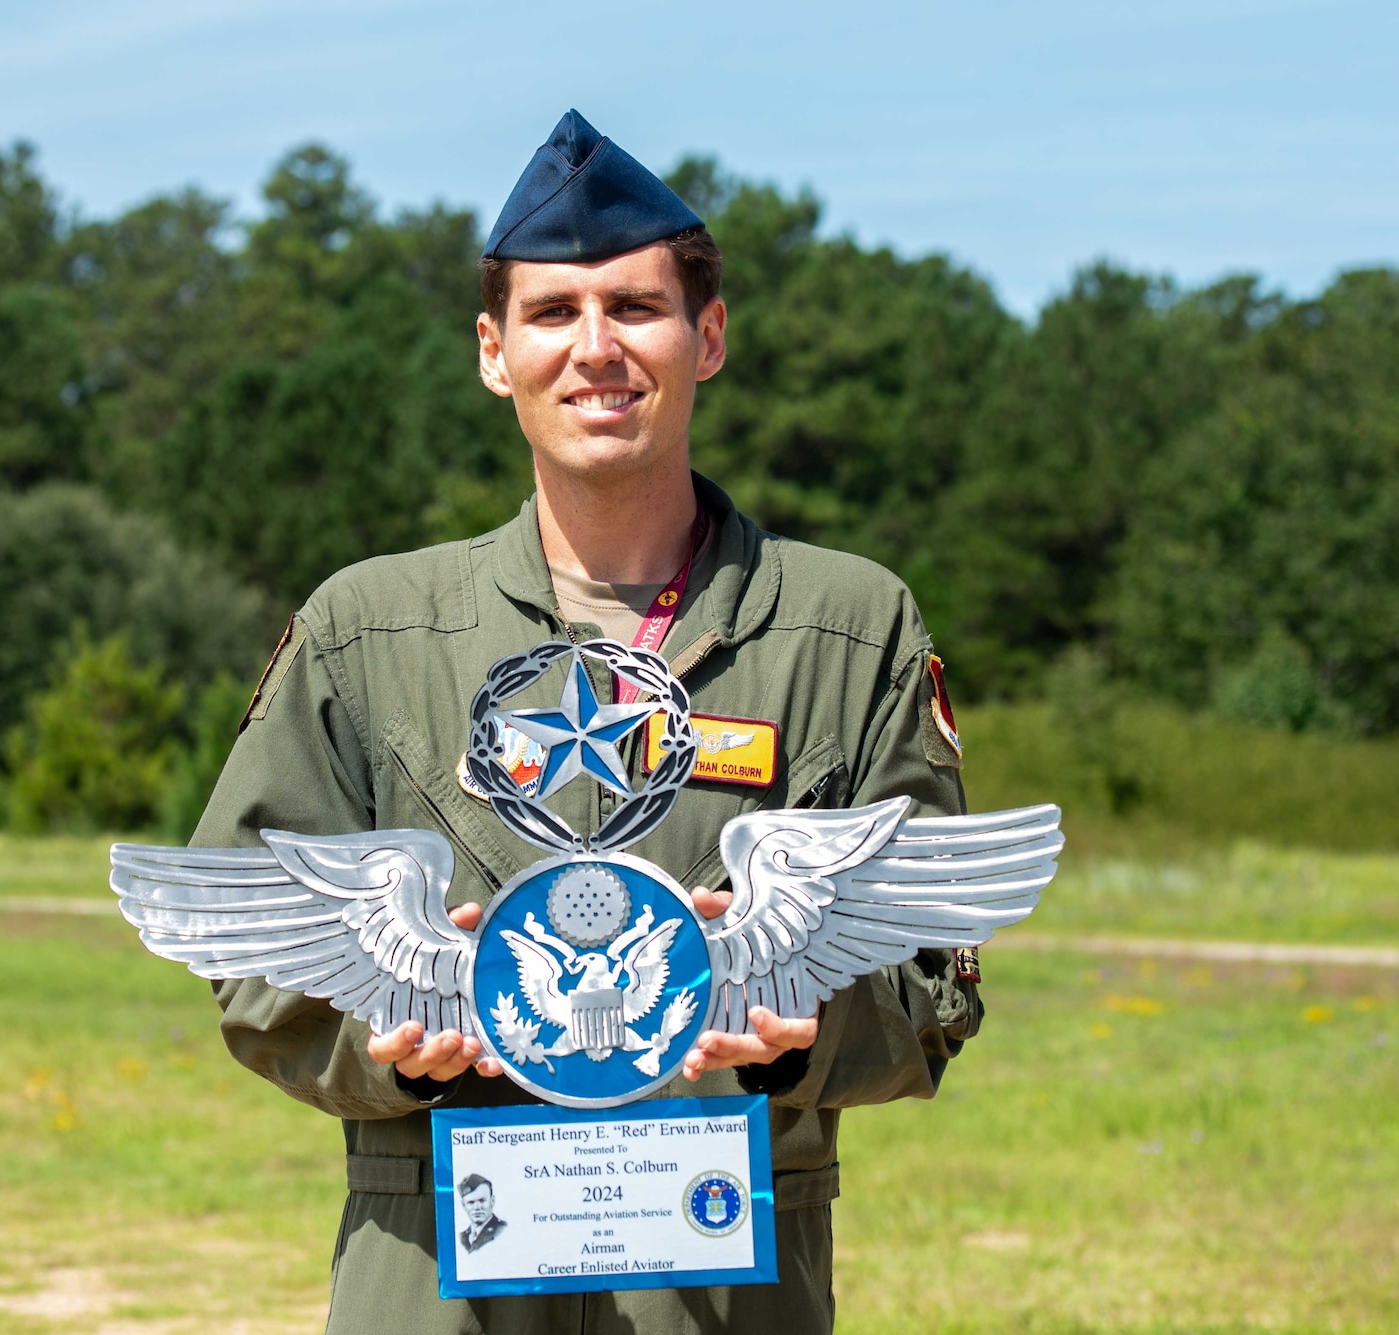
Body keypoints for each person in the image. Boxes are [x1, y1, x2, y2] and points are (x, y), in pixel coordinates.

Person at [193, 109, 982, 1335]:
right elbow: (249, 964)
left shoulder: (846, 627)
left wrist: (797, 1036)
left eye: (635, 308)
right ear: (492, 351)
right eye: (552, 313)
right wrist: (394, 1050)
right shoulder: (368, 631)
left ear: (705, 336)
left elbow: (934, 989)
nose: (595, 348)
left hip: (726, 1292)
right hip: (433, 1287)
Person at [457, 1174, 506, 1252]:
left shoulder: (502, 1230)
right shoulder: (461, 1238)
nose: (477, 1207)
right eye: (471, 1202)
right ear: (463, 1205)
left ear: (492, 1201)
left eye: (482, 1201)